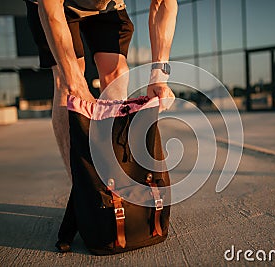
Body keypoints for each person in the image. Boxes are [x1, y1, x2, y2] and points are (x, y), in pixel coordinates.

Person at [25, 0, 177, 252]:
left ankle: (115, 183)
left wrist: (159, 76)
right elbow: (50, 11)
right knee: (67, 84)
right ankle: (87, 193)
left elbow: (164, 4)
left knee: (116, 70)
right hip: (56, 7)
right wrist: (76, 82)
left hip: (106, 12)